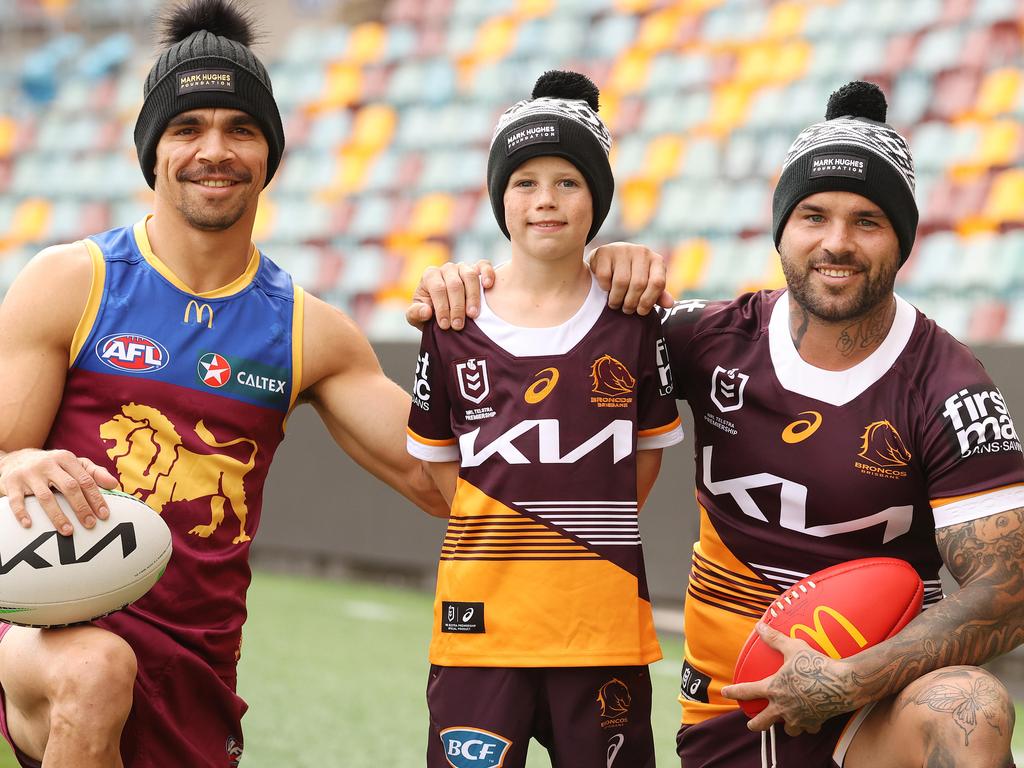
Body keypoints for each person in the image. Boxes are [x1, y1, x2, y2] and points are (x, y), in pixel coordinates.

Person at [410, 81, 1022, 767]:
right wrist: (473, 283)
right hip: (732, 717)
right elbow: (555, 326)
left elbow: (1011, 590)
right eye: (814, 215)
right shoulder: (703, 339)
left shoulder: (947, 384)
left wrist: (846, 680)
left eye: (868, 221)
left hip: (871, 713)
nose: (837, 243)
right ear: (783, 229)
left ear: (902, 239)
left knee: (969, 709)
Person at [0, 1, 446, 766]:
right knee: (97, 670)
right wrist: (11, 461)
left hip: (197, 666)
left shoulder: (308, 330)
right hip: (45, 634)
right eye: (188, 128)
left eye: (240, 128)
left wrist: (532, 307)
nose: (216, 149)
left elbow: (445, 484)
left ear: (269, 154)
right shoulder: (73, 282)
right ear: (153, 151)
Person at [406, 71, 683, 767]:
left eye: (568, 181)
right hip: (480, 629)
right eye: (525, 181)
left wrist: (580, 531)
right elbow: (439, 468)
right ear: (501, 197)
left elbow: (642, 467)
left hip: (602, 627)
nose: (546, 200)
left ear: (597, 197)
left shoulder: (635, 323)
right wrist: (507, 527)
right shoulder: (452, 319)